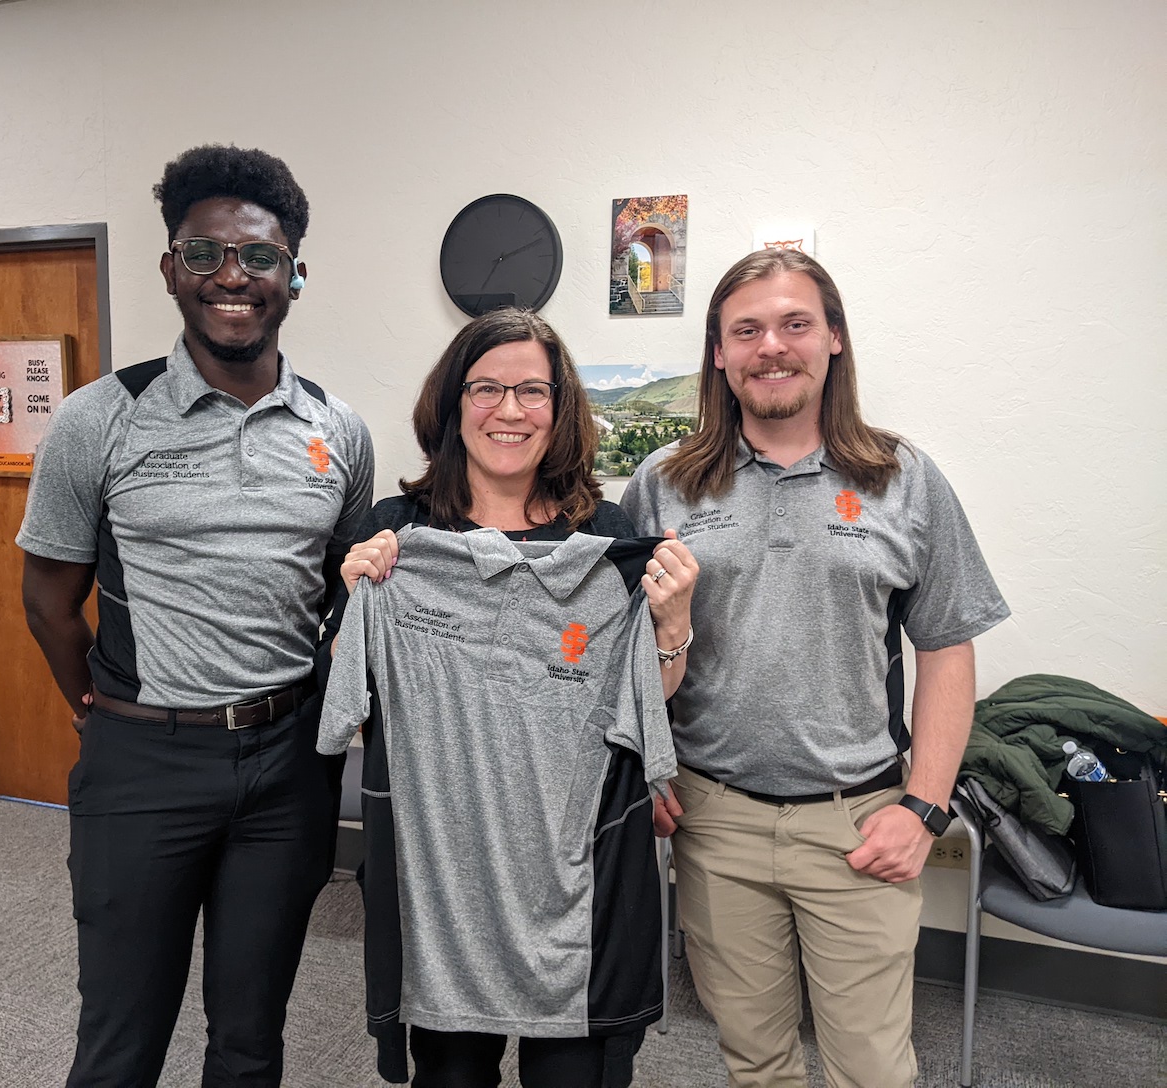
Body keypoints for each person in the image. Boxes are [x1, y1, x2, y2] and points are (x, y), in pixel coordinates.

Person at [16, 145, 374, 1088]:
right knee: (121, 1039)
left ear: (293, 274)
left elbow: (342, 581)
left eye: (259, 258)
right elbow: (49, 600)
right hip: (143, 766)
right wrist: (100, 701)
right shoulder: (103, 418)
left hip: (289, 767)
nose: (233, 278)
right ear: (171, 268)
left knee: (252, 1037)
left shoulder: (337, 429)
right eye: (205, 254)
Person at [622, 249, 1010, 1088]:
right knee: (755, 1061)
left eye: (795, 323)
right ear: (719, 354)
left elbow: (946, 646)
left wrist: (925, 808)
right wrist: (647, 772)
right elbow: (629, 662)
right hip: (713, 820)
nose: (772, 346)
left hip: (859, 822)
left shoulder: (901, 478)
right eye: (747, 330)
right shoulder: (663, 487)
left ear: (833, 338)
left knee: (871, 1068)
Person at [320, 308, 697, 1088]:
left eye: (533, 390)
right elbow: (345, 695)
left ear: (559, 411)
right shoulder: (396, 534)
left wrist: (673, 624)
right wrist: (358, 600)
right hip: (442, 885)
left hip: (574, 873)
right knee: (450, 1077)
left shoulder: (610, 541)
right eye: (486, 387)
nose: (511, 410)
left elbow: (646, 709)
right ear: (453, 404)